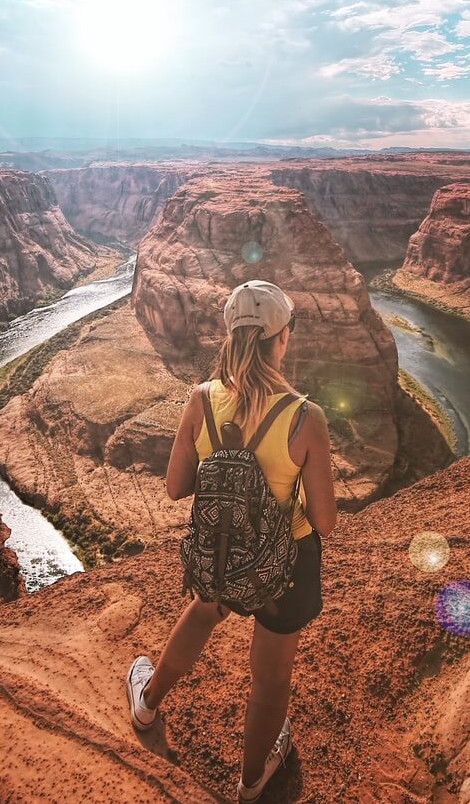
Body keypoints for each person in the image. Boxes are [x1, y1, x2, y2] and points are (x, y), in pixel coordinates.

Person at [125, 279, 338, 802]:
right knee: (270, 680)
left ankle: (147, 703)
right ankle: (250, 783)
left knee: (204, 609)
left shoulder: (201, 399)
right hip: (285, 565)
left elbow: (176, 487)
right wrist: (271, 494)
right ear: (281, 338)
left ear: (230, 337)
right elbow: (327, 522)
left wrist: (231, 487)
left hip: (221, 547)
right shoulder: (305, 418)